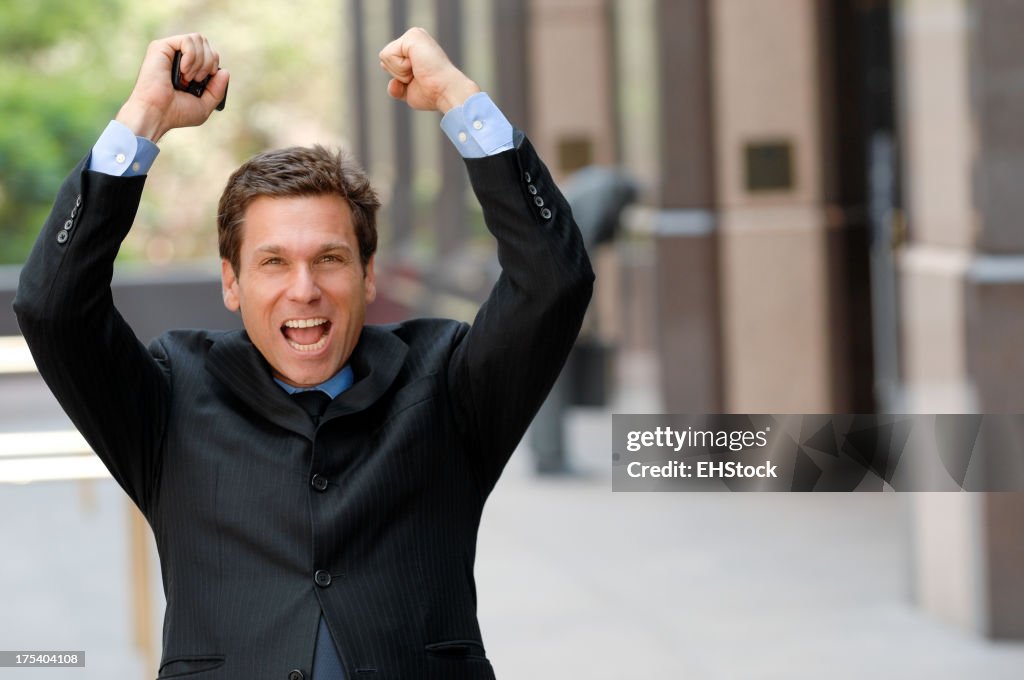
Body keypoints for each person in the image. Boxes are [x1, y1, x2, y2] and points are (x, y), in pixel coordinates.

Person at [14, 29, 592, 680]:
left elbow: (553, 281)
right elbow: (53, 306)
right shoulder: (170, 397)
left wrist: (461, 100)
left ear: (369, 275)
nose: (304, 288)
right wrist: (144, 117)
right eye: (273, 263)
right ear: (231, 283)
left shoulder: (449, 383)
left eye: (330, 259)